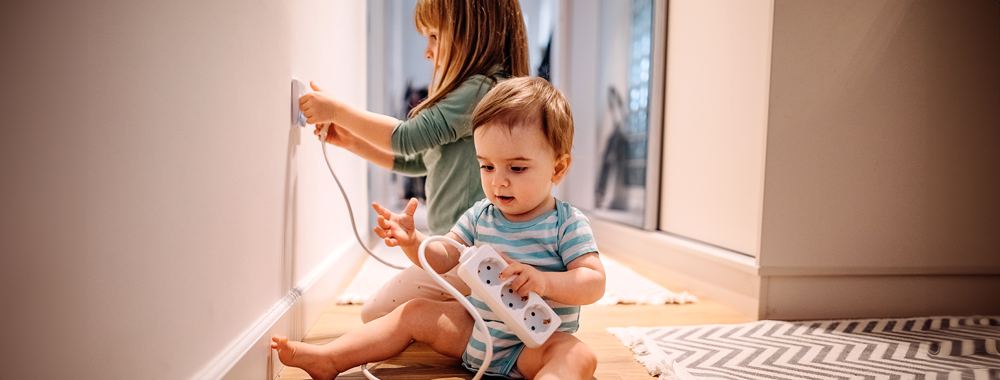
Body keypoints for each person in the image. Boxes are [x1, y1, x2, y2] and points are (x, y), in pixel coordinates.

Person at [273, 77, 606, 379]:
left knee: (577, 354)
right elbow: (445, 255)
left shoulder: (567, 224)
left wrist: (545, 281)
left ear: (558, 168)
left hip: (534, 347)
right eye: (486, 166)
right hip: (476, 333)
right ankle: (330, 358)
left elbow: (593, 283)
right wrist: (413, 241)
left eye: (517, 168)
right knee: (415, 312)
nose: (498, 181)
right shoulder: (479, 215)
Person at [298, 0, 530, 322]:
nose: (427, 51)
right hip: (455, 251)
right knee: (381, 310)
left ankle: (472, 307)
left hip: (468, 255)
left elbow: (407, 138)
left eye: (434, 36)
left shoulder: (480, 91)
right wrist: (351, 140)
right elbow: (419, 161)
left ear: (472, 33)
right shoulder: (482, 88)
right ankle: (469, 304)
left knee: (375, 315)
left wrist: (337, 111)